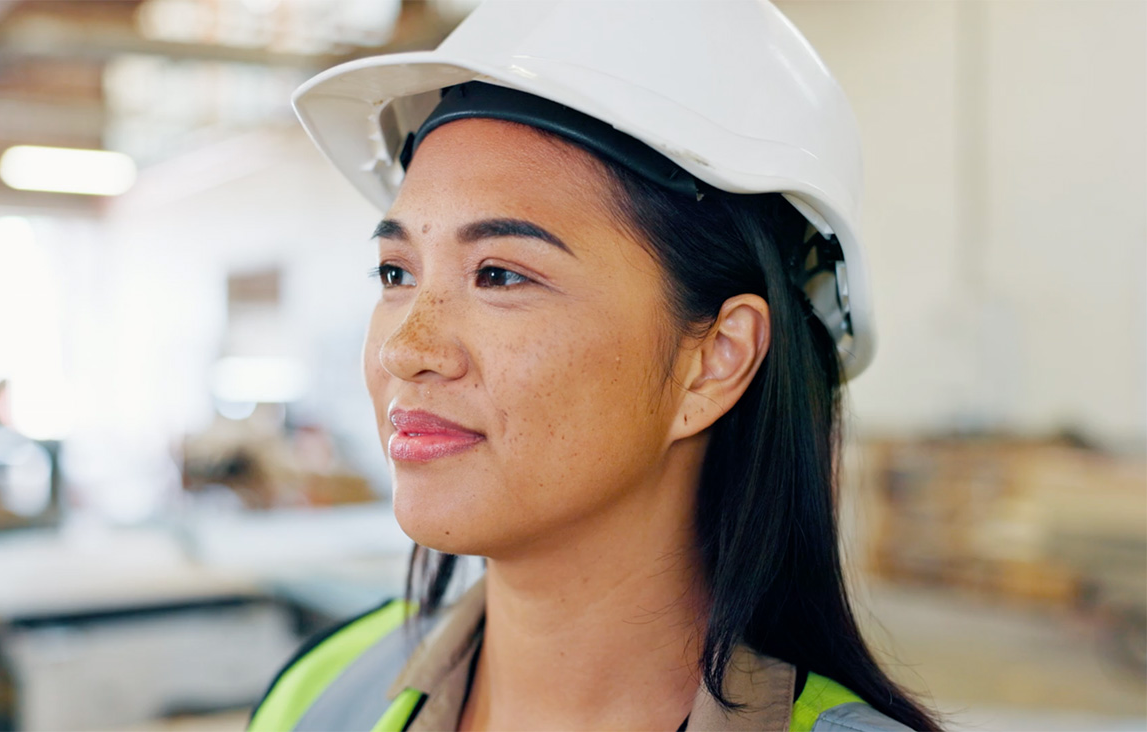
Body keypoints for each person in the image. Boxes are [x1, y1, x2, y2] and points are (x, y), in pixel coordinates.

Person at [250, 1, 941, 730]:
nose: (406, 349)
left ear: (714, 360)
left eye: (501, 275)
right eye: (397, 273)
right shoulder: (322, 696)